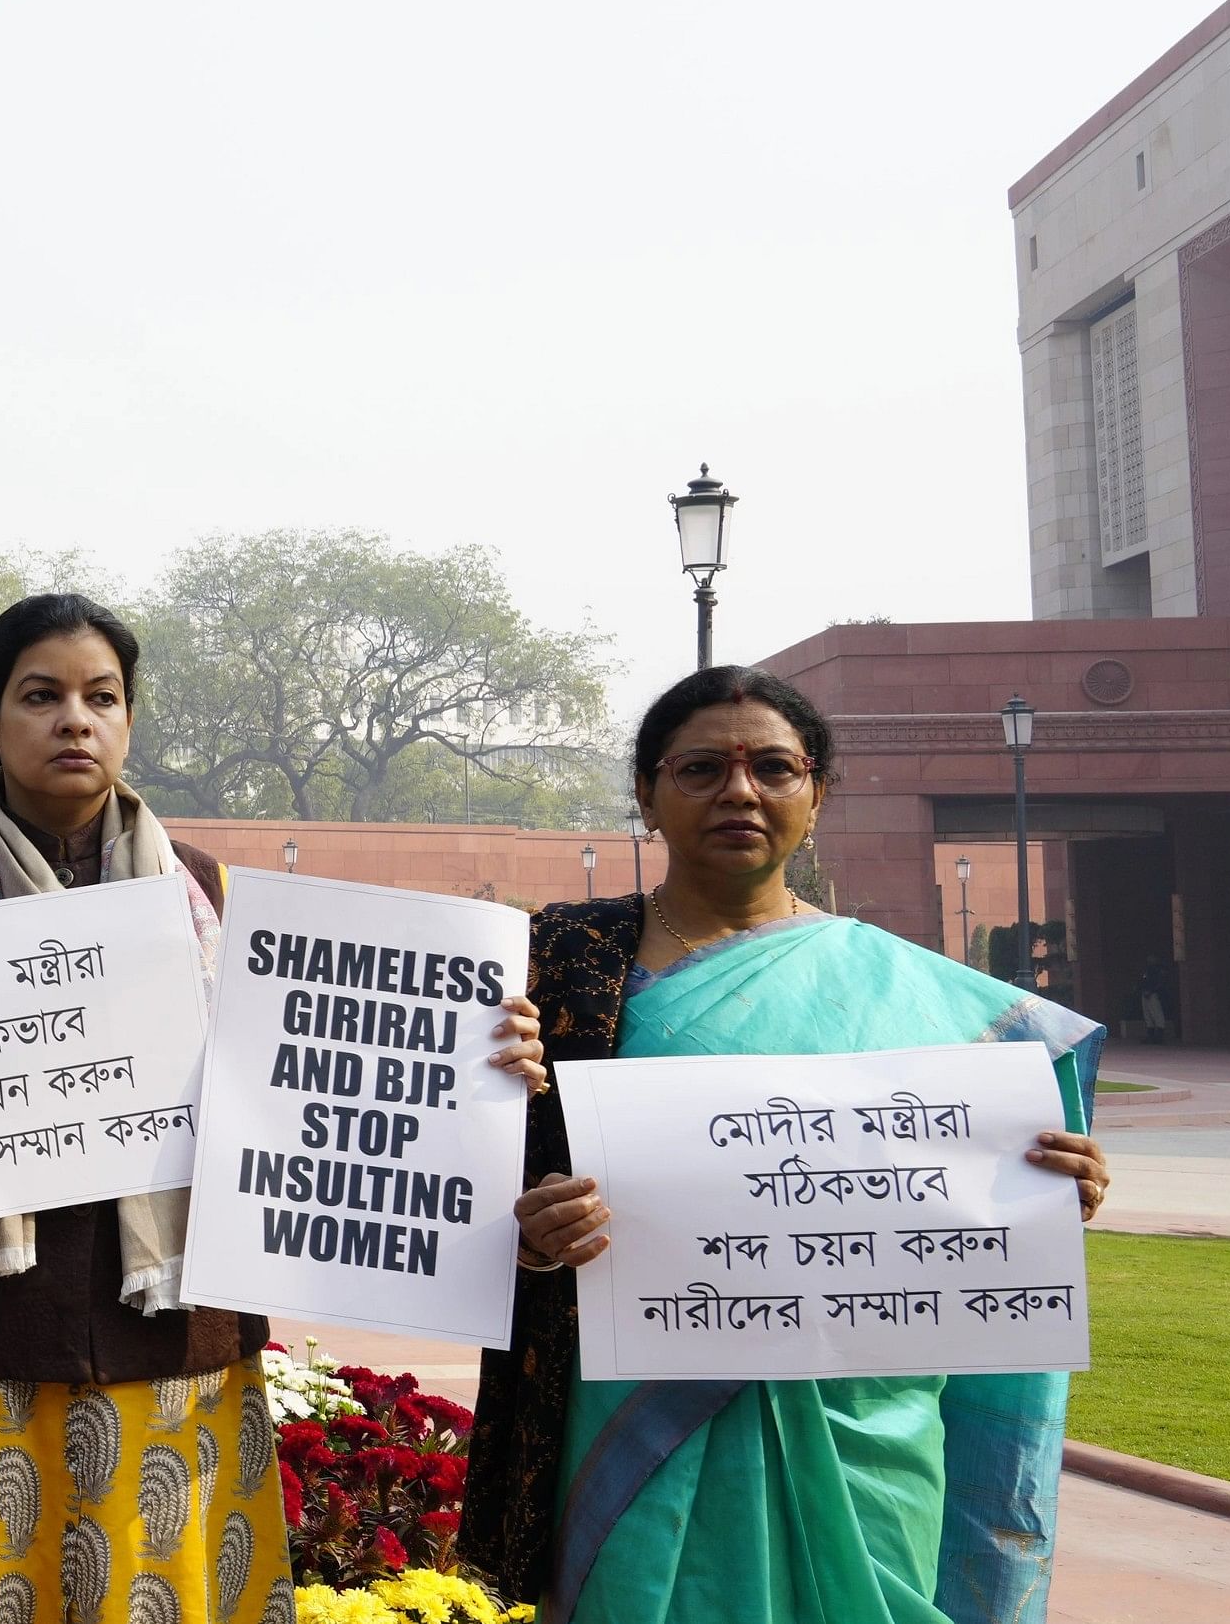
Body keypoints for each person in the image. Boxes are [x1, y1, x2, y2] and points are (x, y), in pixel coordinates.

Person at [0, 595, 548, 1624]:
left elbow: (317, 1072)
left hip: (171, 1343)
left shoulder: (212, 894)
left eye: (101, 697)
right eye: (41, 695)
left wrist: (478, 1054)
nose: (74, 720)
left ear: (130, 719)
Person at [459, 668, 1116, 1624]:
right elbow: (440, 1197)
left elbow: (962, 1194)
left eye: (772, 767)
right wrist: (522, 1228)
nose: (739, 792)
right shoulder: (546, 971)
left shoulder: (921, 1000)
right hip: (617, 1416)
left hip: (866, 1428)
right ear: (645, 794)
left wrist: (1050, 1193)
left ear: (816, 792)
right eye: (699, 769)